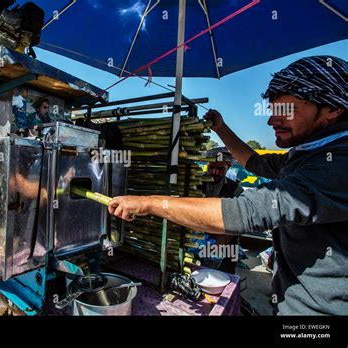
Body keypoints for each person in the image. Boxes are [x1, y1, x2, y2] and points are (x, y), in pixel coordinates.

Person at [108, 56, 348, 315]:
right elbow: (254, 161)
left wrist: (150, 202)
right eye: (272, 111)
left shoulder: (337, 163)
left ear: (332, 109)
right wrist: (221, 129)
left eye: (286, 111)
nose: (271, 121)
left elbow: (245, 212)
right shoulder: (306, 154)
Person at [198, 147, 244, 274]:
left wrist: (217, 244)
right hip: (197, 237)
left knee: (225, 276)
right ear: (206, 165)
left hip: (225, 239)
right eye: (211, 167)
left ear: (228, 168)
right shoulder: (194, 182)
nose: (215, 172)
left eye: (220, 169)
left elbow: (238, 223)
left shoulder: (235, 189)